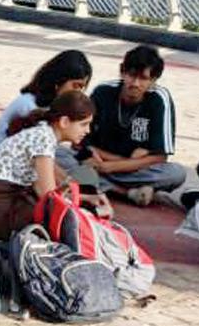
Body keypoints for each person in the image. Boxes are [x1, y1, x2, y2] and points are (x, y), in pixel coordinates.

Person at [55, 45, 186, 206]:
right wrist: (105, 161)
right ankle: (127, 193)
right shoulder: (103, 92)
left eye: (143, 78)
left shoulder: (160, 99)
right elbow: (78, 141)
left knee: (176, 173)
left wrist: (111, 166)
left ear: (153, 80)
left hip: (128, 170)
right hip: (96, 163)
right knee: (57, 154)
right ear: (122, 72)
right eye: (131, 75)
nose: (135, 83)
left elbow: (160, 156)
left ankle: (99, 185)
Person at [0, 91, 96, 240]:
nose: (87, 130)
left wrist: (85, 198)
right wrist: (84, 203)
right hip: (0, 209)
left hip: (2, 202)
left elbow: (51, 191)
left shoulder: (44, 133)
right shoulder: (44, 138)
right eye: (84, 124)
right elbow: (47, 194)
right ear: (64, 122)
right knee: (66, 220)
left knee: (71, 212)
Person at [0, 50, 92, 163]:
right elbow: (40, 157)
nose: (78, 93)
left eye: (82, 88)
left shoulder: (50, 105)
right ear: (59, 81)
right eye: (76, 86)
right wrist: (67, 180)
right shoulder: (28, 106)